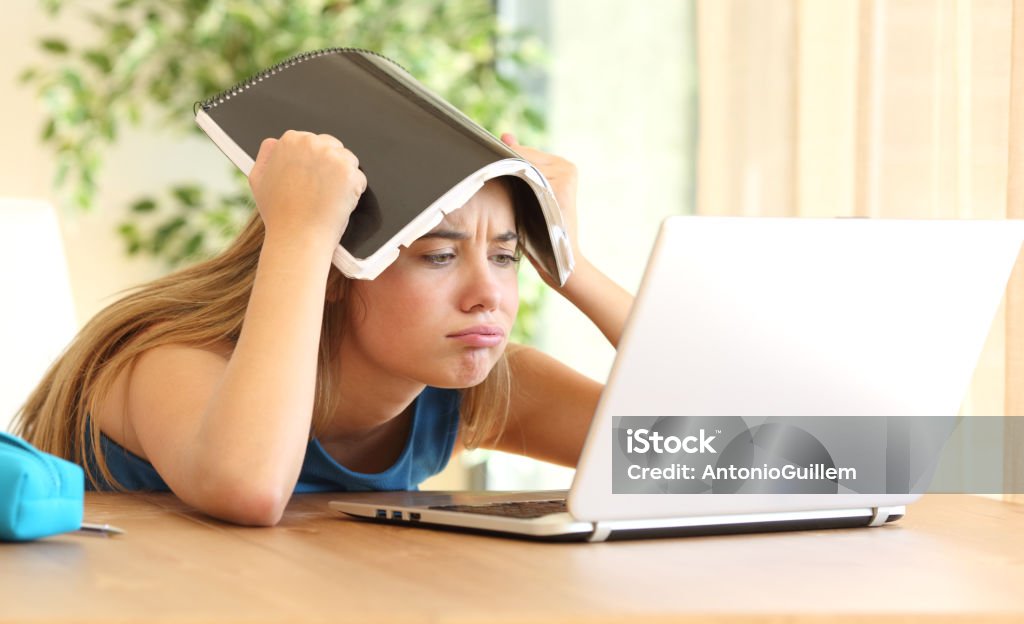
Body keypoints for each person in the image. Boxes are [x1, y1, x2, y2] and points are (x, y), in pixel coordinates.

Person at [14, 131, 633, 526]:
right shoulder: (171, 358)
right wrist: (302, 232)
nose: (488, 297)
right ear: (338, 269)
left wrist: (574, 268)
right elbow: (248, 489)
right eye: (439, 257)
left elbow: (721, 458)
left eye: (506, 257)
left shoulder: (479, 381)